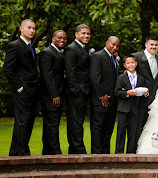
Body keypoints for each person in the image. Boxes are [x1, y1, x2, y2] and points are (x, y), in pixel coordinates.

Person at [4, 19, 38, 156]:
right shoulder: (14, 46)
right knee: (23, 122)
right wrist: (19, 87)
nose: (32, 30)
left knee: (26, 121)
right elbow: (8, 69)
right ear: (21, 29)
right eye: (29, 28)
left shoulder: (31, 46)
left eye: (34, 28)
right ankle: (22, 152)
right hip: (23, 90)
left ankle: (15, 152)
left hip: (32, 90)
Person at [90, 36, 120, 154]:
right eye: (113, 44)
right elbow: (95, 77)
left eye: (117, 46)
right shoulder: (97, 56)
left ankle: (106, 155)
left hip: (112, 100)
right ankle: (96, 155)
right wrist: (101, 95)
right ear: (107, 43)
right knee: (97, 128)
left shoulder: (113, 58)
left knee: (108, 129)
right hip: (100, 100)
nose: (114, 47)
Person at [39, 30, 67, 155]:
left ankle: (47, 151)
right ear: (53, 38)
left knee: (49, 124)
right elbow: (47, 76)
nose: (62, 40)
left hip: (57, 94)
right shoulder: (47, 53)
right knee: (53, 123)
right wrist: (54, 94)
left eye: (65, 39)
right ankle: (56, 152)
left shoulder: (58, 53)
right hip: (50, 95)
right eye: (59, 38)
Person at [64, 24, 91, 154]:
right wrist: (76, 90)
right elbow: (70, 72)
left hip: (83, 91)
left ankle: (74, 149)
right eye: (83, 33)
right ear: (76, 34)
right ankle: (78, 148)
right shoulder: (71, 49)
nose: (86, 36)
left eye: (88, 34)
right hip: (76, 92)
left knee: (78, 121)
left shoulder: (83, 49)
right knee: (75, 121)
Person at [114, 55, 148, 154]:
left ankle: (131, 154)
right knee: (121, 132)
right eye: (128, 63)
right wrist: (126, 93)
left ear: (136, 64)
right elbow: (116, 92)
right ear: (124, 65)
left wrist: (145, 93)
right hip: (123, 109)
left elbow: (144, 91)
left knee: (133, 133)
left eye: (132, 62)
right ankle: (119, 154)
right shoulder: (121, 78)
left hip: (135, 109)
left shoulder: (141, 78)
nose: (131, 65)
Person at [132, 35, 158, 142]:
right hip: (139, 98)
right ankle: (134, 151)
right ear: (146, 45)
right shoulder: (137, 57)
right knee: (137, 126)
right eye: (151, 44)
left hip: (154, 98)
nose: (154, 47)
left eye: (156, 45)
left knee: (150, 126)